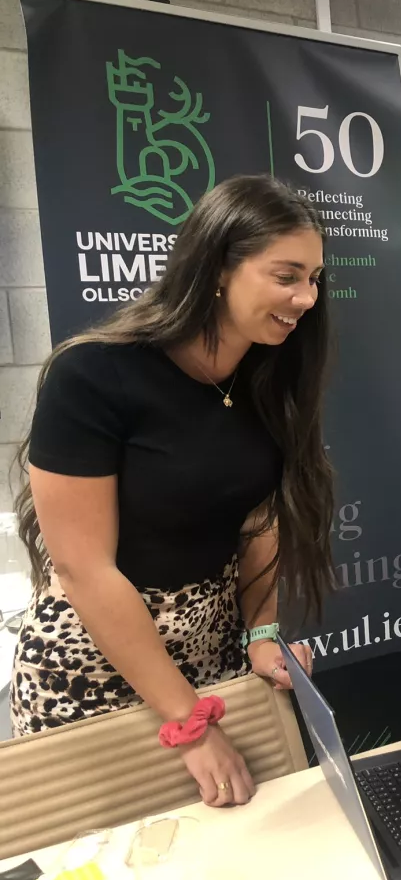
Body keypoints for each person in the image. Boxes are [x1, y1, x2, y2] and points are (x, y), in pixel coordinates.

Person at [10, 174, 337, 808]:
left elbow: (261, 518)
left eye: (315, 278)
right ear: (218, 266)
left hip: (212, 655)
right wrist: (188, 725)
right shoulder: (94, 375)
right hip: (92, 669)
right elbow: (83, 568)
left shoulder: (266, 377)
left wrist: (262, 634)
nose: (306, 297)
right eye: (286, 275)